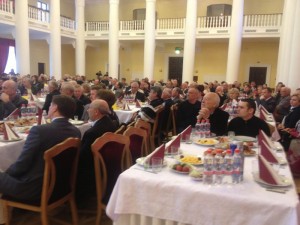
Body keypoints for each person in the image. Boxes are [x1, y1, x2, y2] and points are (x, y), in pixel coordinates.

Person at [0, 95, 81, 202]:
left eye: (51, 105)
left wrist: (6, 175)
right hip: (61, 186)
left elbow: (22, 164)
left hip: (35, 189)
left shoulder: (39, 131)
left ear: (55, 108)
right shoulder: (76, 131)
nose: (49, 107)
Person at [76, 99, 117, 203]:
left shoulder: (92, 132)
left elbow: (82, 157)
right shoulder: (111, 123)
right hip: (109, 163)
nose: (87, 110)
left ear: (96, 112)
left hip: (92, 168)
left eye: (90, 108)